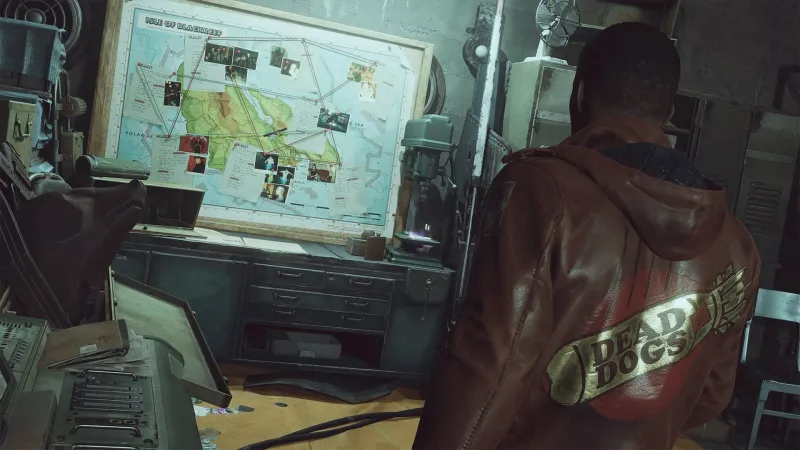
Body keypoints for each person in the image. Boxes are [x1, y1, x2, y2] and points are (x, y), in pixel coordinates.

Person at [413, 22, 761, 450]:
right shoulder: (737, 243)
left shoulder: (541, 192)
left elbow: (489, 366)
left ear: (579, 94)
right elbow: (709, 396)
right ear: (670, 112)